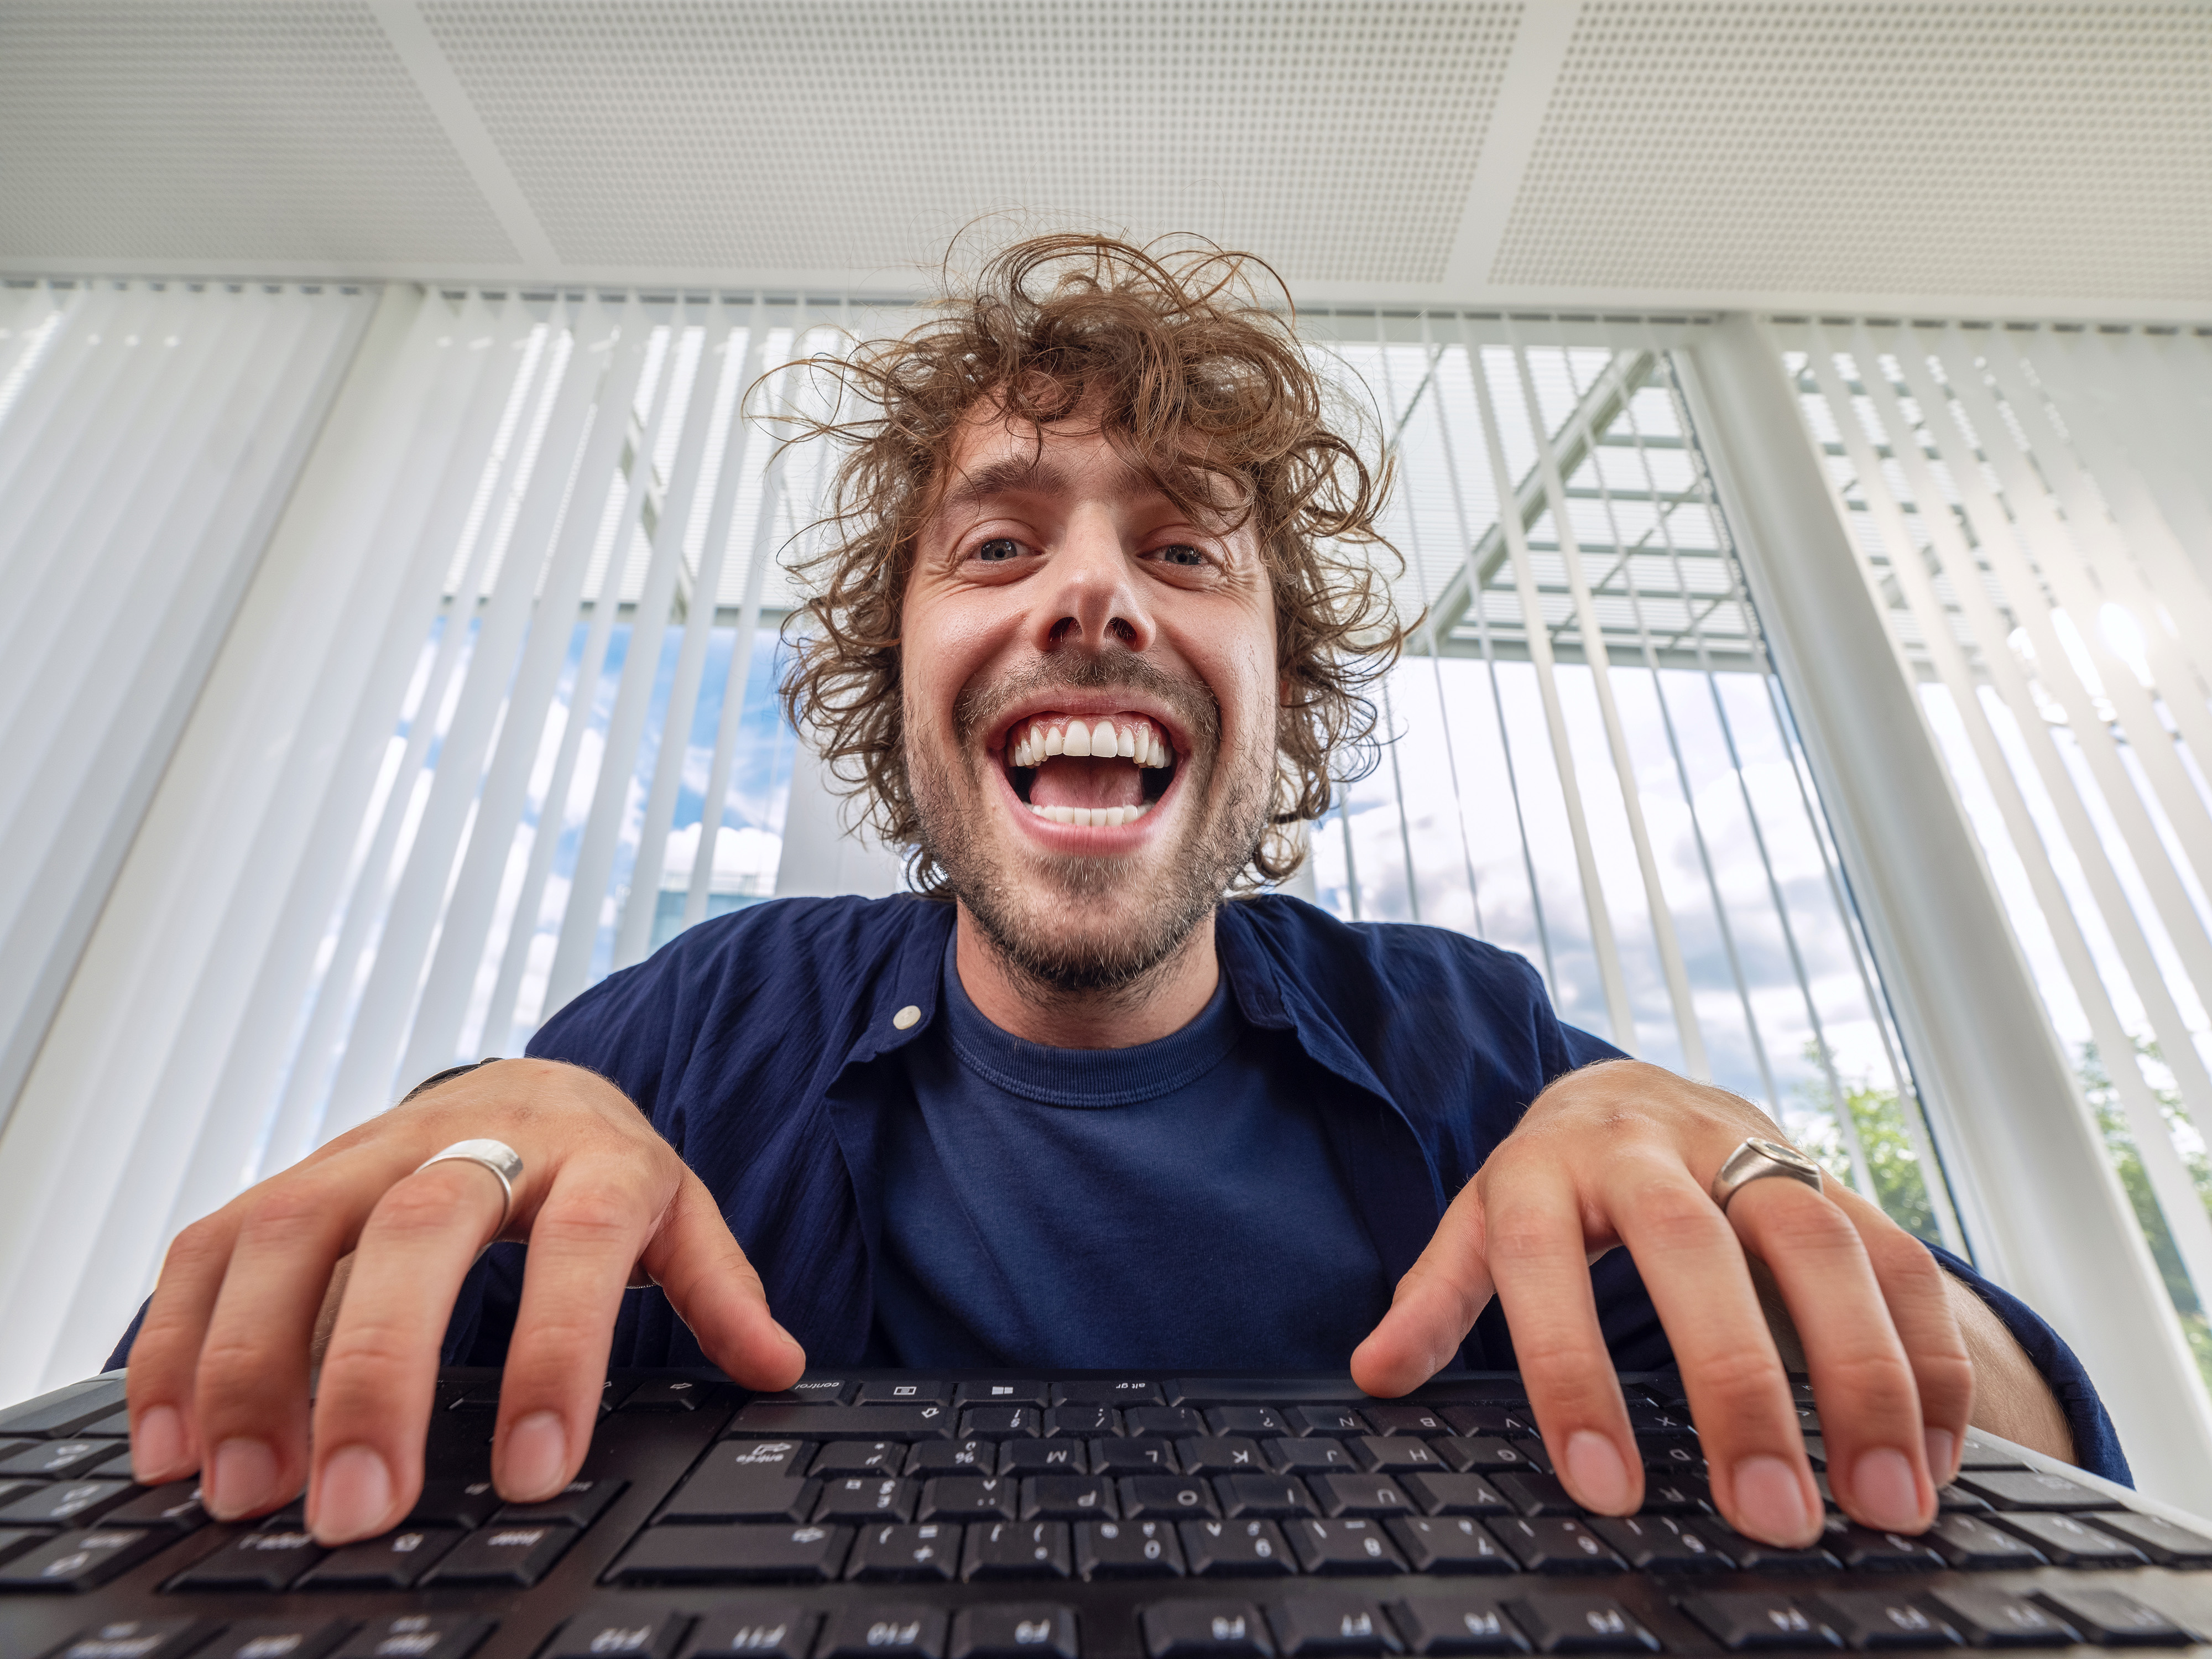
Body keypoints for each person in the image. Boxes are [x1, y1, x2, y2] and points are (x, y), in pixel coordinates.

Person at [109, 234, 2119, 1560]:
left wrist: (1796, 1212)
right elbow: (197, 1409)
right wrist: (473, 1130)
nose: (1092, 592)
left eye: (1186, 551)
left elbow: (2034, 1457)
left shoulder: (1477, 1046)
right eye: (995, 547)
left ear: (1276, 694)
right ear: (894, 684)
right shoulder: (692, 1028)